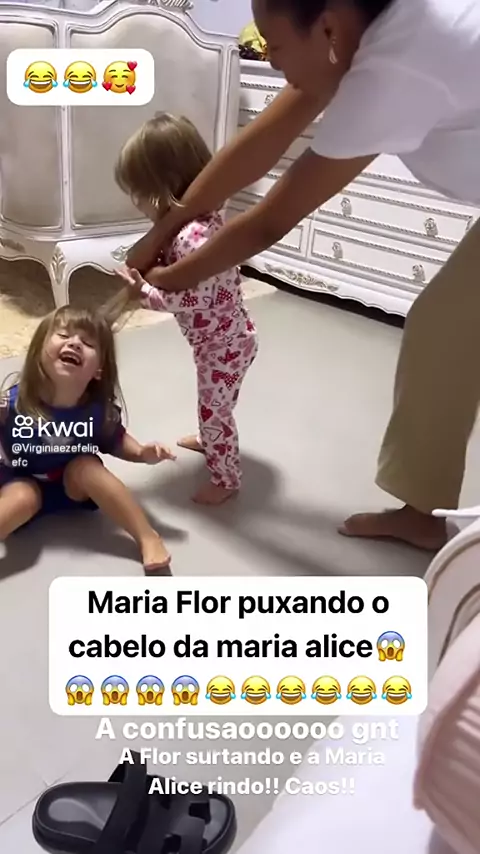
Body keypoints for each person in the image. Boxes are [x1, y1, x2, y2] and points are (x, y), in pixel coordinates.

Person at [126, 0, 480, 551]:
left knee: (444, 332)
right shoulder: (358, 38)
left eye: (275, 44)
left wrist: (164, 281)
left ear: (329, 26)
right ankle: (422, 511)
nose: (268, 60)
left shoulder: (398, 66)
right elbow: (256, 148)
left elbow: (268, 222)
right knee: (443, 333)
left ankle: (422, 514)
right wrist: (162, 231)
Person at [115, 113, 259, 506]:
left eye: (140, 193)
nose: (137, 203)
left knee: (216, 411)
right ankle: (211, 438)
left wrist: (145, 293)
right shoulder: (198, 222)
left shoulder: (193, 239)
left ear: (162, 187)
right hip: (227, 339)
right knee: (214, 404)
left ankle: (226, 479)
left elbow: (191, 300)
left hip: (224, 347)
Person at [0, 305, 175, 572]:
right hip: (20, 480)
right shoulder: (11, 404)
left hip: (73, 485)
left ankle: (147, 536)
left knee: (87, 467)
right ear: (38, 352)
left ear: (99, 370)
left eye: (88, 343)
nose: (74, 343)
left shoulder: (97, 412)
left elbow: (116, 440)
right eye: (63, 335)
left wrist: (142, 453)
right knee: (22, 497)